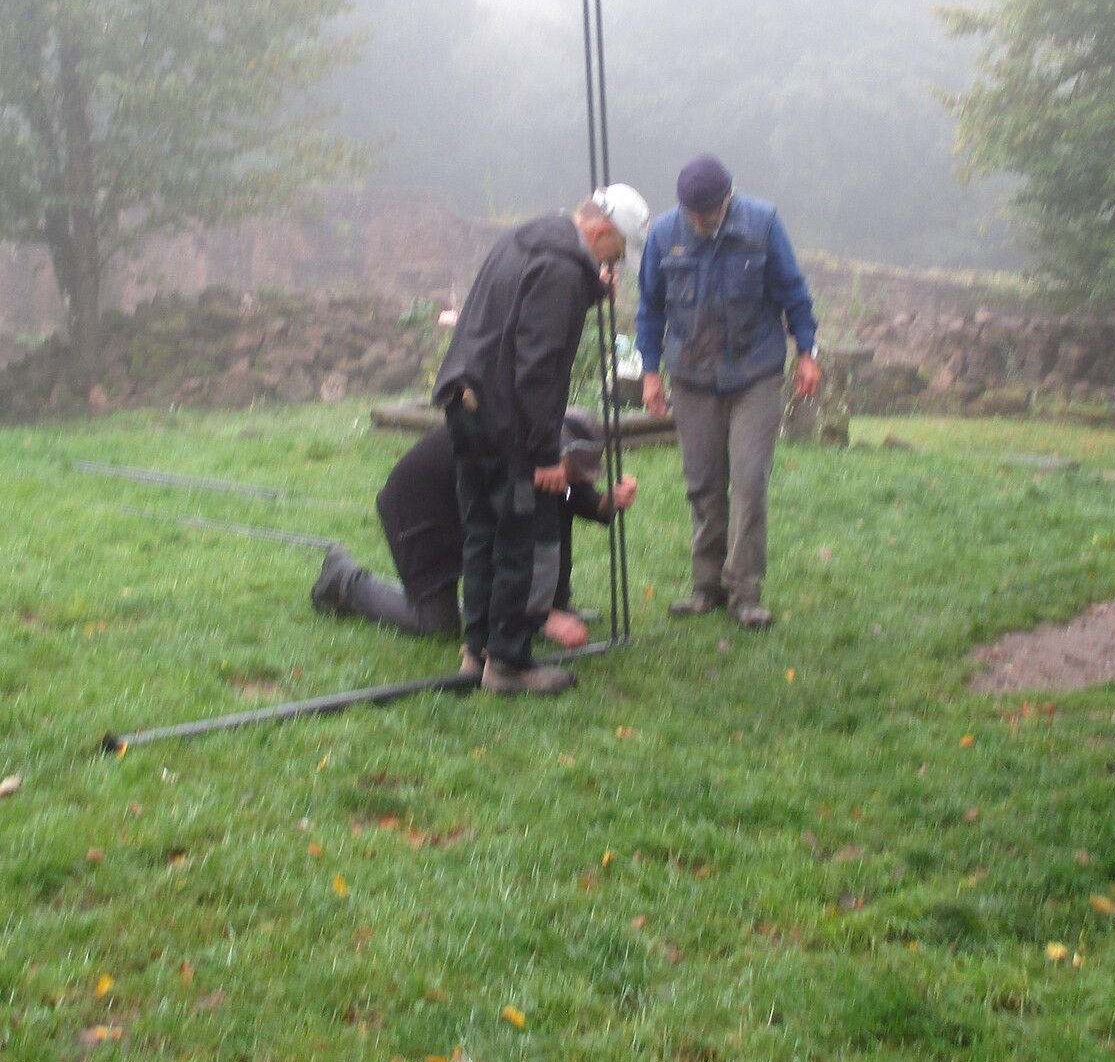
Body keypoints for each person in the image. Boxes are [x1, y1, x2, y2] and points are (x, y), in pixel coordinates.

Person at [432, 185, 649, 695]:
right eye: (616, 252)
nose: (613, 263)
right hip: (506, 418)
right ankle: (508, 664)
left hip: (467, 404)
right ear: (601, 231)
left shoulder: (526, 239)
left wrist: (590, 291)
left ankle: (476, 652)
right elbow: (538, 366)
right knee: (519, 540)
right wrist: (545, 451)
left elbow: (520, 316)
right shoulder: (560, 270)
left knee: (481, 534)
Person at [636, 154, 819, 630]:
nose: (700, 222)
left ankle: (745, 592)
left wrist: (807, 352)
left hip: (755, 372)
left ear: (728, 199)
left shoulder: (763, 225)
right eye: (693, 214)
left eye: (709, 212)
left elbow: (794, 293)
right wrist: (650, 372)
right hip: (692, 376)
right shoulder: (664, 234)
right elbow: (650, 308)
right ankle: (706, 587)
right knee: (703, 484)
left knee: (750, 479)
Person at [310, 409, 639, 647]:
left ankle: (553, 604)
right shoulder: (510, 457)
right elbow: (512, 546)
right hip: (420, 514)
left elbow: (567, 494)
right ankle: (344, 579)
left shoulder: (540, 452)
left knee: (551, 497)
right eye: (575, 469)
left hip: (465, 507)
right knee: (437, 625)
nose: (579, 478)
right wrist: (536, 615)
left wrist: (604, 503)